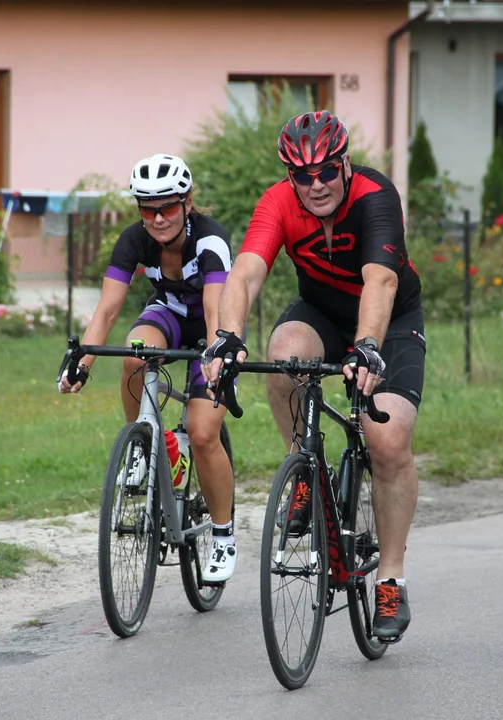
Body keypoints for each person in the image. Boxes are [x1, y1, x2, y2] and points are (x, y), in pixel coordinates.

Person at [202, 111, 426, 641]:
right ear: (290, 177)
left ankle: (390, 579)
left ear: (345, 164)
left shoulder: (374, 196)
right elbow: (247, 271)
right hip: (322, 312)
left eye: (326, 171)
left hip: (387, 321)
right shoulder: (278, 202)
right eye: (303, 176)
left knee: (387, 439)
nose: (317, 184)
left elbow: (380, 280)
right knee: (285, 354)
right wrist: (227, 337)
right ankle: (303, 467)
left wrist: (368, 347)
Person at [59, 153, 238, 584]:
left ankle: (223, 533)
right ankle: (144, 444)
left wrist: (216, 357)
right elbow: (107, 309)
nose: (157, 218)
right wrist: (81, 362)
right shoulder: (134, 239)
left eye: (167, 208)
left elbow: (216, 309)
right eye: (147, 209)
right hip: (168, 315)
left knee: (202, 433)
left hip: (213, 327)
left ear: (187, 203)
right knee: (134, 354)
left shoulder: (211, 240)